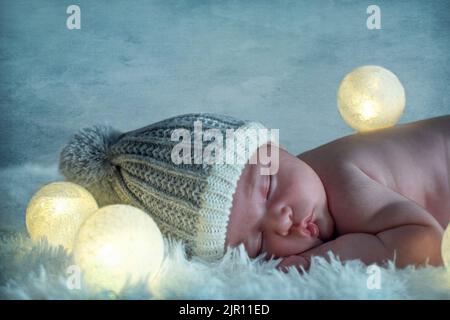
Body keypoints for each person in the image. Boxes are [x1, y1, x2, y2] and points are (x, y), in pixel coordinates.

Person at [59, 113, 450, 271]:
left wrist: (313, 262)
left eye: (268, 186)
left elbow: (426, 241)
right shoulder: (311, 192)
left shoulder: (341, 181)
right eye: (258, 240)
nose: (282, 222)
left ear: (276, 148)